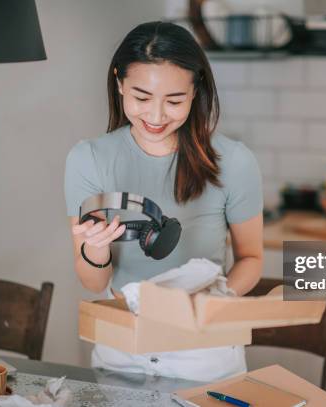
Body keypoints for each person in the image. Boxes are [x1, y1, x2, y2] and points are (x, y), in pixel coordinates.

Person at [64, 21, 263, 382]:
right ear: (119, 82)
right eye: (141, 98)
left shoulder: (234, 161)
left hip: (205, 351)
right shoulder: (88, 159)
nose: (156, 117)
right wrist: (96, 249)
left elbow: (251, 259)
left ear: (195, 92)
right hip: (121, 348)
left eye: (174, 101)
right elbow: (94, 284)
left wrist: (212, 300)